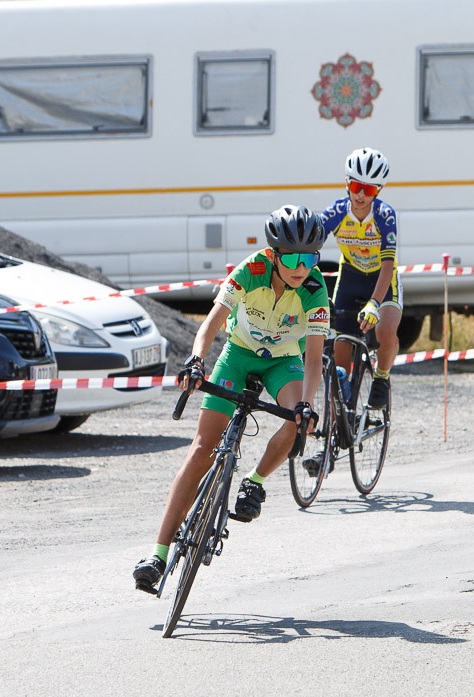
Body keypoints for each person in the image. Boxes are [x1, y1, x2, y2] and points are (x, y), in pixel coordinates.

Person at [133, 205, 332, 593]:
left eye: (310, 258)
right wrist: (195, 361)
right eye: (292, 257)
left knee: (299, 419)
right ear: (273, 255)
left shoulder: (314, 289)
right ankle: (157, 554)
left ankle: (255, 481)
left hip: (283, 362)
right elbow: (211, 323)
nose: (301, 267)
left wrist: (307, 401)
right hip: (238, 355)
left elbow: (312, 357)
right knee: (202, 449)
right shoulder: (250, 270)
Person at [321, 147, 401, 409]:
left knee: (385, 330)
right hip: (351, 278)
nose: (360, 194)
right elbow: (309, 246)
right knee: (340, 355)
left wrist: (374, 304)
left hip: (382, 279)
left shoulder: (384, 215)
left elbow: (388, 263)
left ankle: (381, 377)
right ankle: (339, 421)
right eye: (356, 186)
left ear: (378, 191)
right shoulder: (335, 213)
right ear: (347, 183)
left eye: (369, 189)